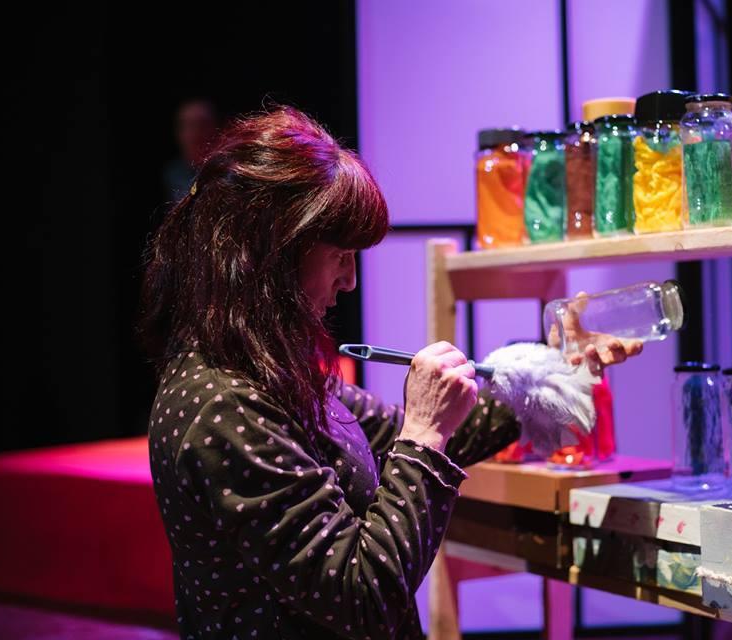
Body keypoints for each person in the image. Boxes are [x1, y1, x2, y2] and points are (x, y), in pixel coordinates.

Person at [140, 106, 640, 640]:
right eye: (341, 255)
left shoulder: (269, 372)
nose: (350, 281)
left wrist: (551, 366)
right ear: (272, 252)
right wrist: (423, 433)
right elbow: (359, 597)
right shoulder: (226, 403)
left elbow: (439, 429)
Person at [163, 99, 222, 202]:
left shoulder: (228, 172)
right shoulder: (171, 175)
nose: (196, 133)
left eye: (202, 125)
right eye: (190, 125)